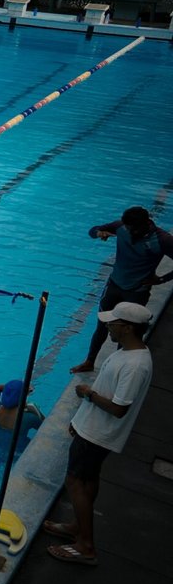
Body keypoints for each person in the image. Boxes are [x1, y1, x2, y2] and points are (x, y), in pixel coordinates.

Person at [45, 302, 154, 565]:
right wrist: (80, 419)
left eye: (112, 323)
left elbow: (118, 408)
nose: (108, 326)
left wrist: (87, 394)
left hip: (97, 434)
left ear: (127, 327)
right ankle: (77, 525)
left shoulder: (135, 365)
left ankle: (86, 546)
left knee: (75, 481)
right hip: (92, 428)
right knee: (89, 478)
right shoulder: (128, 352)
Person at [71, 207, 173, 373]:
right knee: (102, 325)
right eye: (128, 228)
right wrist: (99, 233)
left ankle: (118, 368)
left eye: (133, 229)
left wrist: (161, 279)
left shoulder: (162, 239)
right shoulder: (121, 227)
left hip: (137, 291)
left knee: (127, 332)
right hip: (114, 285)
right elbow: (92, 231)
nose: (130, 232)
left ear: (146, 224)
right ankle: (89, 361)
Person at [0, 379, 44, 457]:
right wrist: (36, 411)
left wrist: (11, 389)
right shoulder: (28, 418)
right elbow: (45, 427)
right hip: (18, 447)